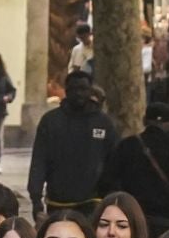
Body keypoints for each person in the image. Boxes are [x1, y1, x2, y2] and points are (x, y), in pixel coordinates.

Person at [28, 72, 118, 216]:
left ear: (90, 91)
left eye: (83, 89)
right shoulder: (50, 121)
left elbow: (114, 163)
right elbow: (39, 160)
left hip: (93, 201)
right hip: (58, 202)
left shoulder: (104, 123)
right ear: (66, 91)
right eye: (74, 89)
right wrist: (36, 198)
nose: (78, 93)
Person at [99, 102, 169, 227]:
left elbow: (107, 183)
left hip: (133, 218)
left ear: (144, 121)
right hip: (166, 219)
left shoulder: (127, 145)